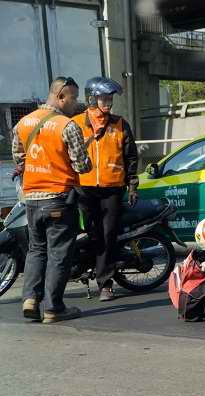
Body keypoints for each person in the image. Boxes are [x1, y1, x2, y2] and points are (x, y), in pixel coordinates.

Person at [12, 76, 92, 323]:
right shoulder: (66, 126)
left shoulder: (23, 123)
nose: (75, 103)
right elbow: (83, 165)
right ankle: (53, 308)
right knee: (59, 254)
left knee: (36, 251)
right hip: (58, 198)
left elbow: (19, 158)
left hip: (31, 200)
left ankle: (30, 299)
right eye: (73, 98)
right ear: (61, 96)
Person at [72, 77, 139, 301]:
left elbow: (131, 157)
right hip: (83, 189)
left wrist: (132, 185)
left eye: (110, 99)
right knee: (88, 233)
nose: (108, 103)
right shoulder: (75, 124)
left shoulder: (120, 124)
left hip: (112, 189)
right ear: (92, 99)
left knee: (108, 235)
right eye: (104, 98)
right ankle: (85, 269)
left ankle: (105, 283)